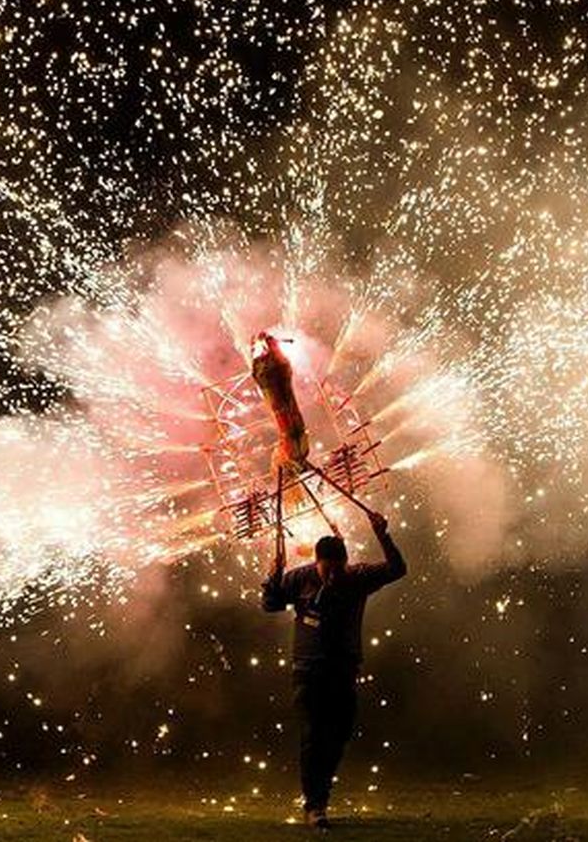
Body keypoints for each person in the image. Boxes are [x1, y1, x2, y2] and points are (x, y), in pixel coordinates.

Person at [261, 510, 407, 830]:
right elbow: (270, 604)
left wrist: (382, 534)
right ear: (318, 562)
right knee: (314, 736)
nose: (332, 576)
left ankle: (319, 798)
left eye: (338, 569)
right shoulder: (300, 578)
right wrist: (273, 578)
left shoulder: (356, 577)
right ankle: (316, 806)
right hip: (309, 671)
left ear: (345, 562)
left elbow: (397, 568)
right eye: (327, 569)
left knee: (338, 735)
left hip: (343, 671)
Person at [250, 331, 309, 488]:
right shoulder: (298, 451)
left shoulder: (298, 450)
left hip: (284, 408)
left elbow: (268, 370)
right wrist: (268, 343)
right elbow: (276, 368)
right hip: (285, 410)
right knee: (286, 412)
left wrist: (265, 345)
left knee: (285, 412)